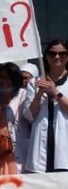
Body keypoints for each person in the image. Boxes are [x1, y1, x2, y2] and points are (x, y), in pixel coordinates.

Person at [23, 39, 68, 173]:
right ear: (46, 56)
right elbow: (28, 115)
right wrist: (39, 95)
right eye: (52, 54)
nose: (57, 57)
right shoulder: (34, 83)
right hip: (40, 146)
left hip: (63, 144)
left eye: (62, 54)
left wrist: (55, 93)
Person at [0, 63, 27, 175]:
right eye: (1, 76)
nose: (5, 80)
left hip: (19, 151)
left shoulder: (24, 95)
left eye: (9, 77)